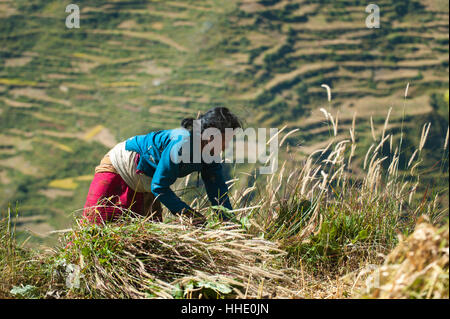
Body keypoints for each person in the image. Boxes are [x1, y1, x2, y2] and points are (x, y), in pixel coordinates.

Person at [82, 107, 243, 225]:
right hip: (120, 167)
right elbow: (159, 187)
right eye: (226, 139)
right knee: (93, 225)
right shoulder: (181, 144)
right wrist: (188, 214)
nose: (226, 145)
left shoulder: (211, 155)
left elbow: (218, 192)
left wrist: (229, 222)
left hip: (147, 181)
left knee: (146, 241)